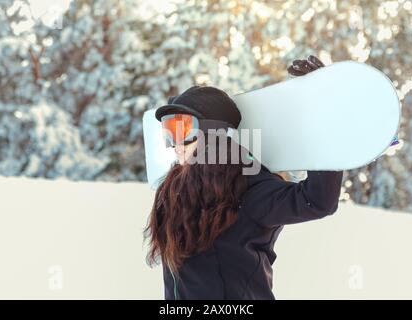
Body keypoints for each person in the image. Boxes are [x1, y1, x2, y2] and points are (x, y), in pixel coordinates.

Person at [143, 55, 344, 300]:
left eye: (182, 129)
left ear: (212, 132)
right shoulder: (174, 194)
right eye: (169, 132)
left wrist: (321, 112)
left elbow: (318, 201)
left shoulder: (248, 189)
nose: (174, 144)